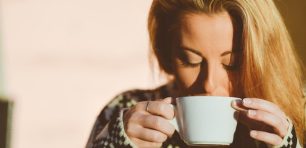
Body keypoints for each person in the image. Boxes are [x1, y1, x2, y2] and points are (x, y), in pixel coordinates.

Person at [86, 0, 304, 147]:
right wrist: (114, 143)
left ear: (265, 57)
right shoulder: (126, 108)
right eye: (191, 61)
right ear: (167, 54)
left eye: (232, 63)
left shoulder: (300, 109)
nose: (209, 84)